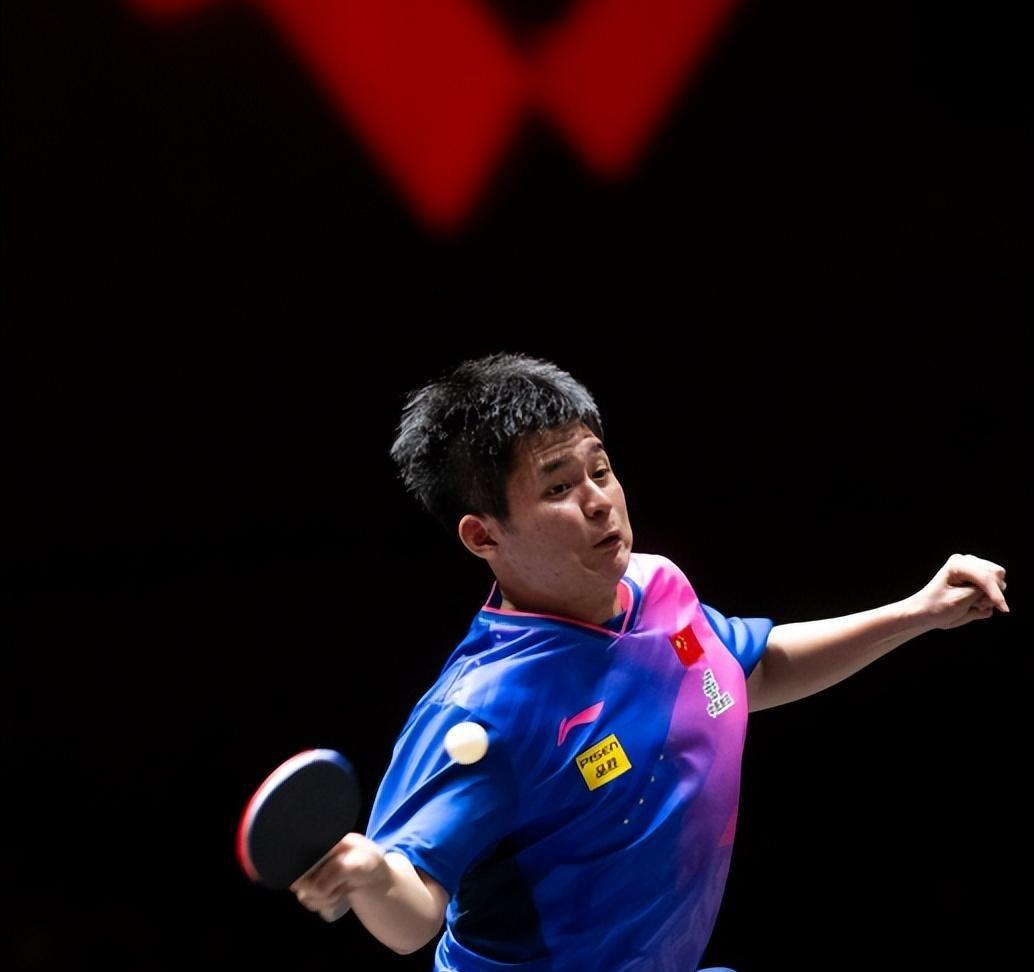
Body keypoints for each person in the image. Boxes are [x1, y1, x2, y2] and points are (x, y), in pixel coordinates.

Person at [291, 352, 1008, 971]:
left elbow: (749, 674)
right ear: (483, 536)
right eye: (558, 488)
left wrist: (918, 612)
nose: (598, 502)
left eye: (600, 470)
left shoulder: (660, 587)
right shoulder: (483, 706)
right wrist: (370, 875)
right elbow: (413, 917)